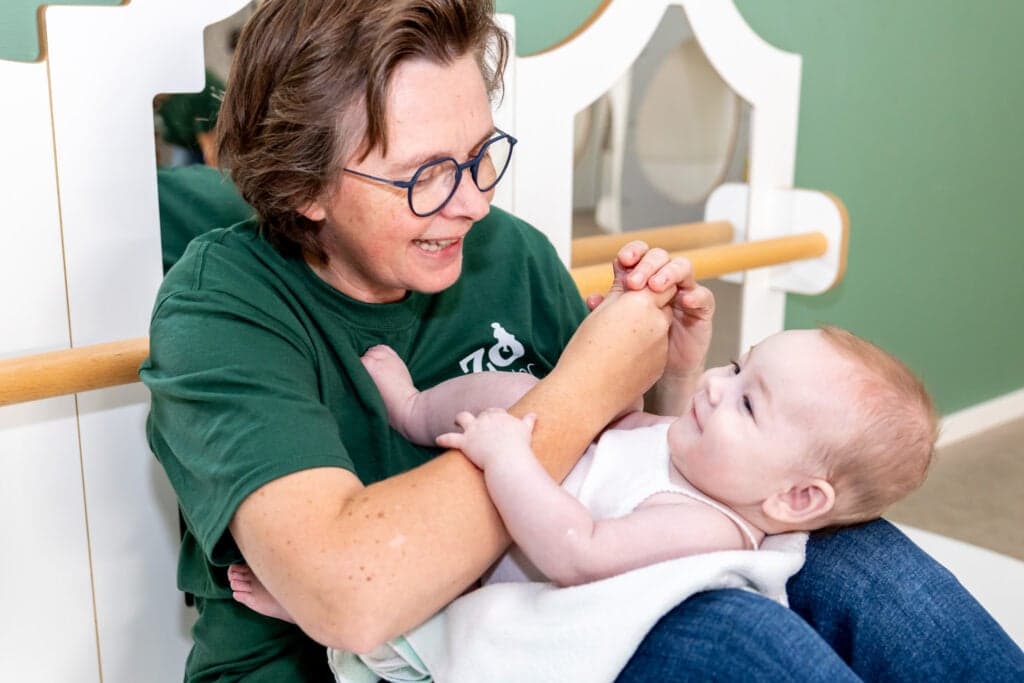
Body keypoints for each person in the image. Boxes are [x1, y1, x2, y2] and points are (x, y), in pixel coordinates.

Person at [142, 1, 1024, 681]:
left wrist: (675, 379)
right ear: (305, 188)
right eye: (424, 177)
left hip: (541, 608)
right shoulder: (224, 306)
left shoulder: (504, 253)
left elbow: (629, 482)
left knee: (838, 541)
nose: (474, 201)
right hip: (351, 658)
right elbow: (353, 594)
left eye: (482, 154)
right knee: (718, 625)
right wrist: (583, 381)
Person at [226, 312, 937, 615]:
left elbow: (579, 551)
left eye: (749, 402)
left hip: (502, 560)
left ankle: (304, 604)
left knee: (433, 603)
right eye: (735, 365)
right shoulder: (714, 461)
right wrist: (645, 371)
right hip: (525, 480)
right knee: (519, 393)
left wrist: (510, 457)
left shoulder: (707, 527)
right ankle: (413, 408)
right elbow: (635, 429)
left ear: (796, 500)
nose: (719, 386)